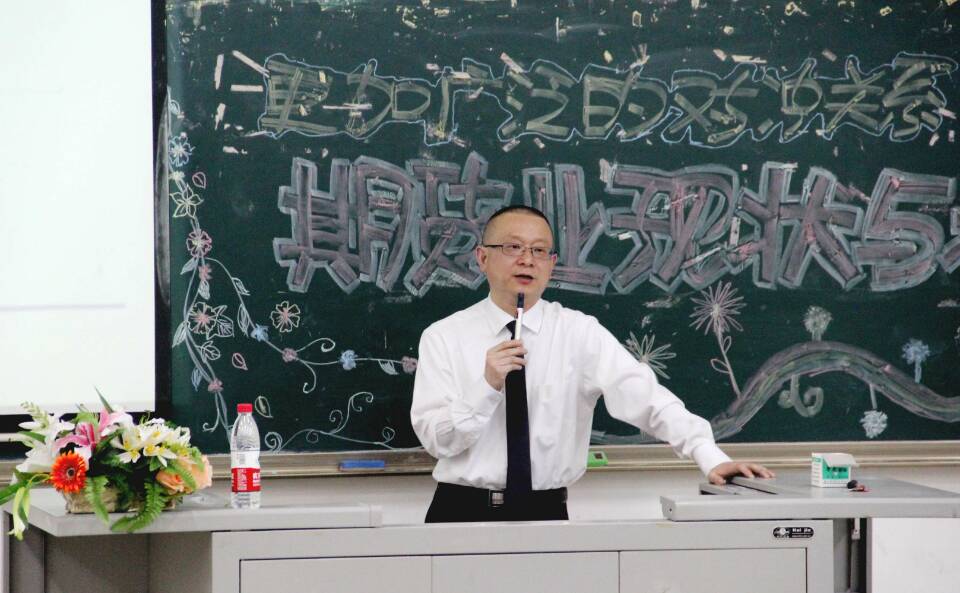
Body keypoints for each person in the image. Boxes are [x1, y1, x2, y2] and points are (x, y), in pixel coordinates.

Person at [410, 205, 772, 523]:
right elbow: (437, 442)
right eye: (512, 247)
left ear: (552, 264)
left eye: (539, 250)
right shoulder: (443, 337)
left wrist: (709, 456)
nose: (527, 260)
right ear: (482, 257)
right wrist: (486, 387)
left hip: (546, 512)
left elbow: (645, 397)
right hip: (460, 511)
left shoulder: (579, 332)